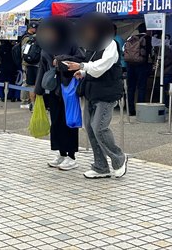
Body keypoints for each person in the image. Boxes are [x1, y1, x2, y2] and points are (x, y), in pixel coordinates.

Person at [65, 13, 127, 180]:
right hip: (91, 91)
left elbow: (102, 65)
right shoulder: (92, 46)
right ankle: (100, 166)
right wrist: (82, 72)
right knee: (91, 129)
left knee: (99, 127)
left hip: (107, 93)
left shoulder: (111, 44)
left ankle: (119, 159)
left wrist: (82, 66)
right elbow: (93, 67)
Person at [34, 16, 80, 171]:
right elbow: (42, 67)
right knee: (56, 121)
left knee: (69, 122)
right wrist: (37, 90)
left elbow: (81, 59)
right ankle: (61, 153)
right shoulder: (46, 45)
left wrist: (61, 59)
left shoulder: (72, 42)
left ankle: (71, 156)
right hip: (52, 88)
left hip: (68, 87)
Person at [123, 24, 152, 116]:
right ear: (147, 30)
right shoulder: (147, 38)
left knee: (131, 88)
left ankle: (130, 110)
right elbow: (149, 52)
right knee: (141, 87)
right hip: (142, 65)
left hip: (130, 65)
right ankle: (140, 110)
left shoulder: (131, 38)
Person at [20, 20, 40, 110]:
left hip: (29, 62)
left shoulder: (29, 37)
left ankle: (27, 100)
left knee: (28, 82)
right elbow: (24, 51)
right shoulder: (27, 38)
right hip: (27, 62)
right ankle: (24, 100)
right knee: (26, 82)